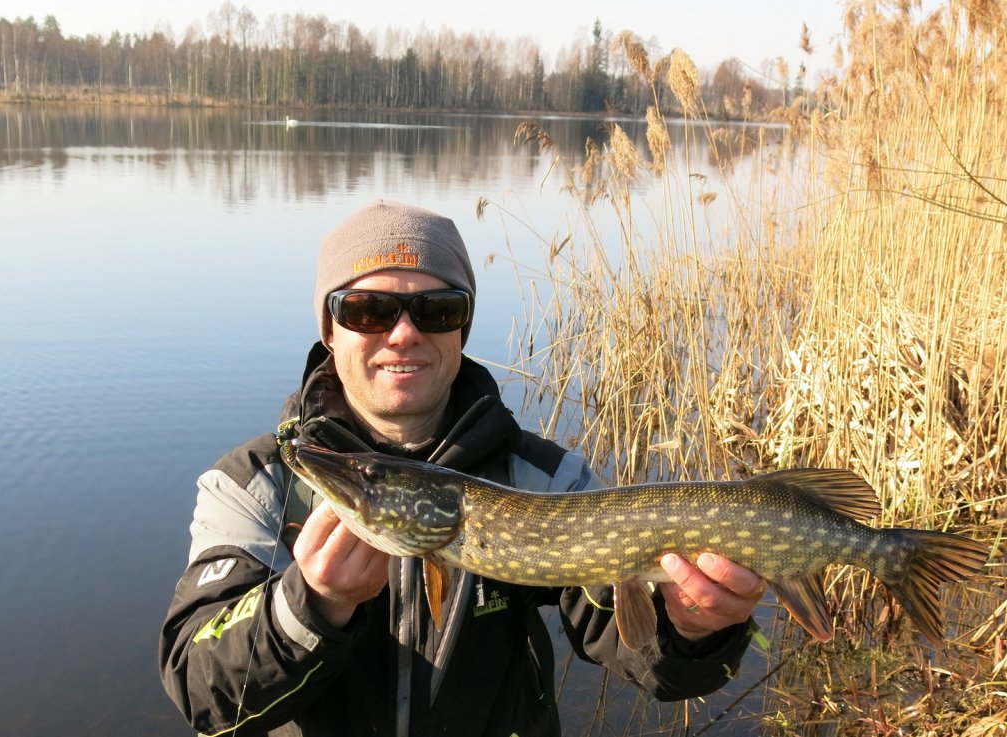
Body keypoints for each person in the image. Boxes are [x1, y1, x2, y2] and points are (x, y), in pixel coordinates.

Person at [159, 200, 765, 737]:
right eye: (368, 310)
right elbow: (201, 692)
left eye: (437, 309)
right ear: (330, 328)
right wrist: (309, 605)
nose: (403, 333)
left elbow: (645, 658)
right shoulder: (252, 484)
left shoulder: (546, 481)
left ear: (463, 328)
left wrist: (696, 629)